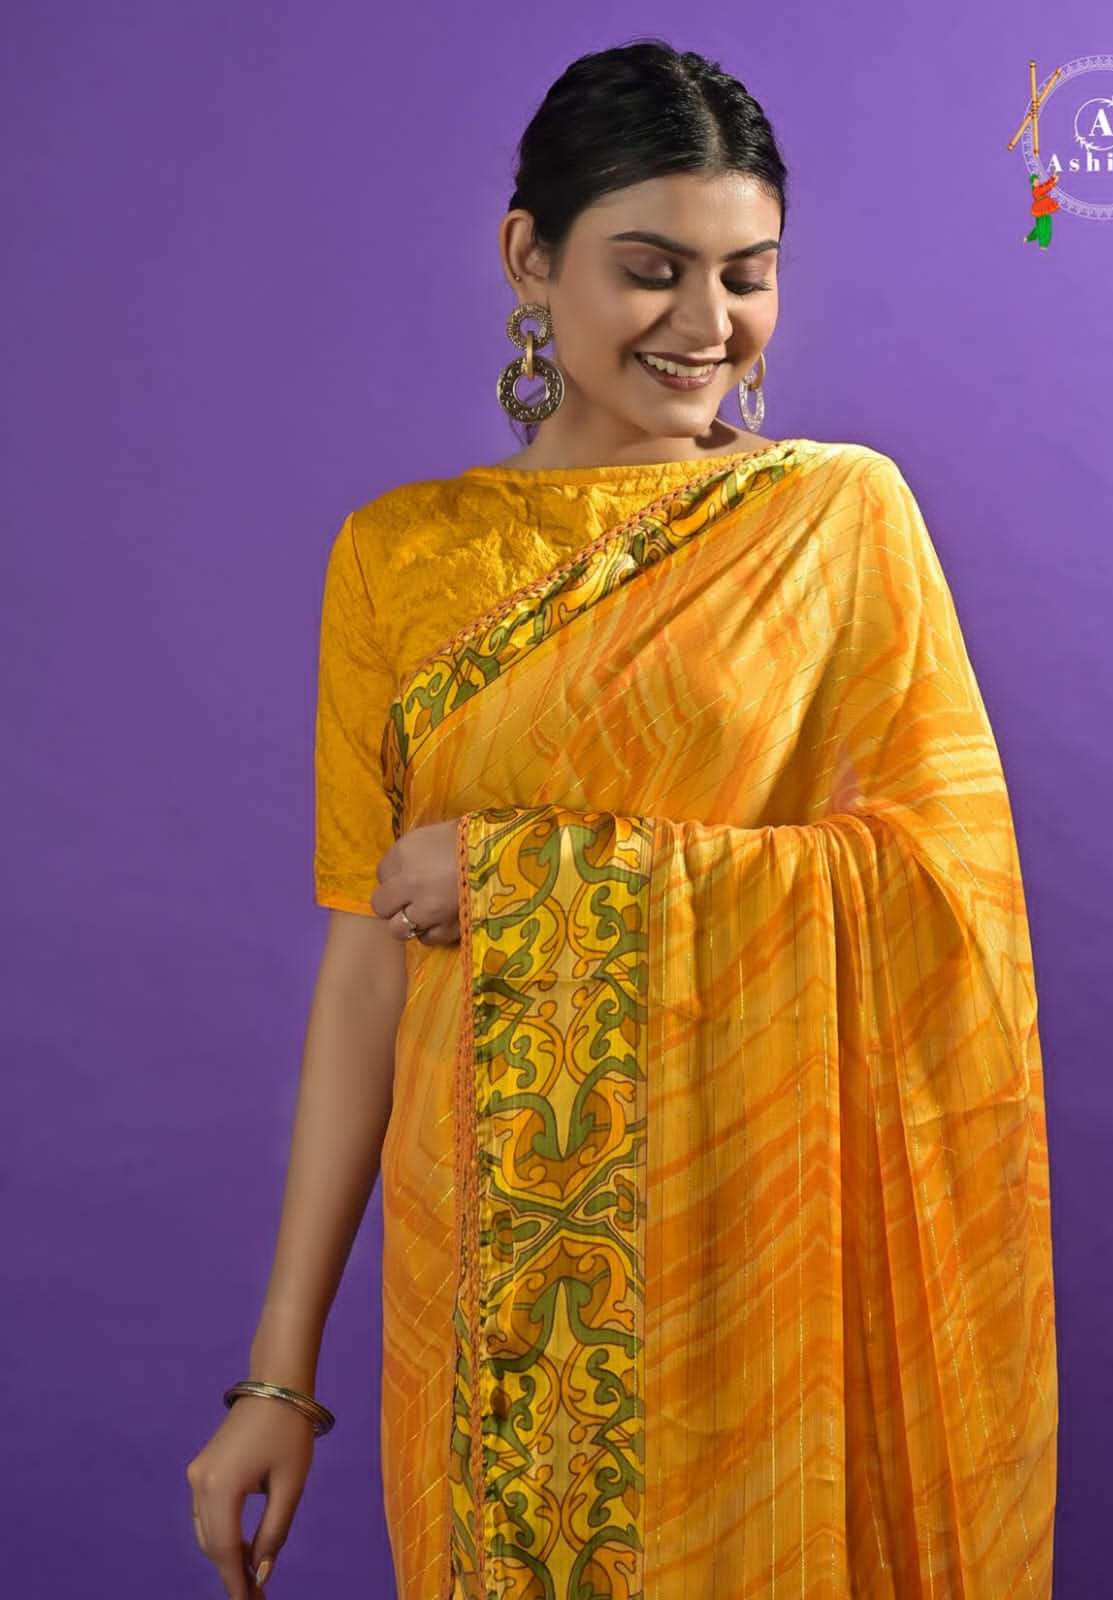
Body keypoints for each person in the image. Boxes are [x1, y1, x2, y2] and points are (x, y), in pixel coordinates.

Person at [185, 38, 1059, 1600]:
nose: (705, 325)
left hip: (764, 1263)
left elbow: (949, 899)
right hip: (487, 1280)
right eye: (650, 270)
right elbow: (369, 970)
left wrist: (532, 877)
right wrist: (277, 1376)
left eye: (746, 275)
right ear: (530, 258)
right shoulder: (398, 558)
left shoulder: (836, 517)